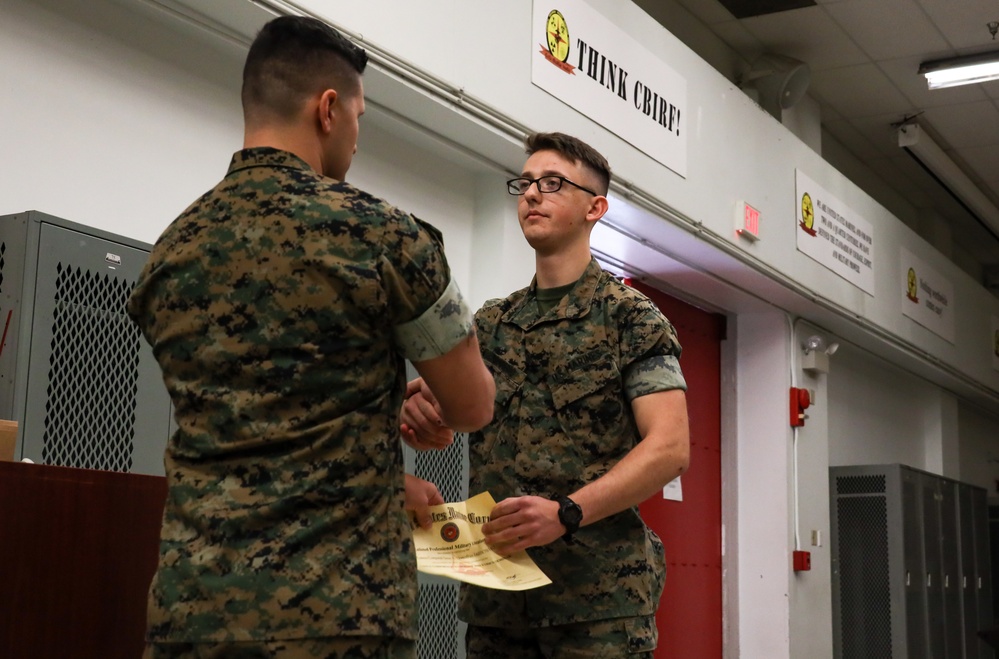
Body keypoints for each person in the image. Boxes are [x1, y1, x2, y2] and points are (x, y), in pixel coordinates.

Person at [127, 15, 495, 659]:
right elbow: (471, 406)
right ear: (329, 110)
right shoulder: (383, 236)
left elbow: (253, 418)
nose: (356, 137)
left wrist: (380, 411)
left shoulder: (170, 253)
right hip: (337, 612)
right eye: (359, 116)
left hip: (194, 612)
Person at [402, 132, 690, 657]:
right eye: (526, 183)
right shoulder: (492, 323)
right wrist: (423, 414)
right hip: (496, 602)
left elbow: (670, 448)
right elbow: (442, 419)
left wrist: (566, 512)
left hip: (598, 604)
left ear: (594, 208)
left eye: (553, 183)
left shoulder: (631, 319)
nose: (532, 194)